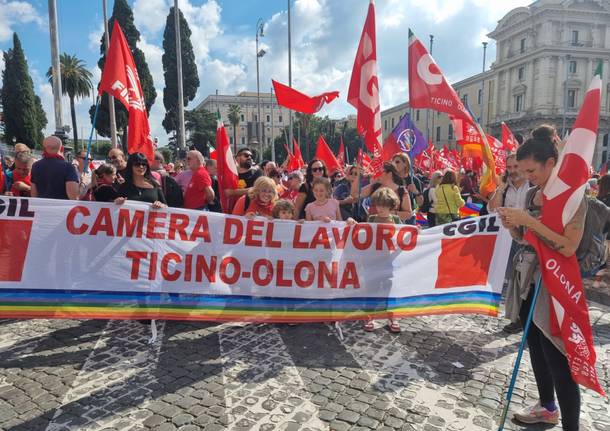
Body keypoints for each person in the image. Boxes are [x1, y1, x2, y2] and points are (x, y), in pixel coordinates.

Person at [497, 125, 583, 429]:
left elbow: (568, 244)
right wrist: (513, 225)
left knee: (557, 357)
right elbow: (527, 238)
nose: (527, 175)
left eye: (531, 170)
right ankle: (547, 406)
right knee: (535, 345)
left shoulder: (573, 197)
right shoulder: (534, 194)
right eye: (522, 170)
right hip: (530, 280)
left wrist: (526, 220)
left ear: (550, 163)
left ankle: (570, 425)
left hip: (557, 284)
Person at [489, 153, 531, 333]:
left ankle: (530, 319)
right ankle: (518, 318)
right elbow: (492, 209)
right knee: (514, 281)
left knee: (527, 281)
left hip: (531, 239)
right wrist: (501, 188)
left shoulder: (534, 185)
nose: (513, 171)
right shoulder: (506, 188)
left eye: (516, 167)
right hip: (511, 239)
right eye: (509, 168)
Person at [362, 187, 403, 333]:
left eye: (384, 205)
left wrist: (416, 231)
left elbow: (404, 237)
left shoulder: (396, 220)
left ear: (391, 206)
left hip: (389, 261)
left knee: (389, 289)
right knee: (371, 288)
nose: (380, 208)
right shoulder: (372, 219)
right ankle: (369, 315)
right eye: (378, 205)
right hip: (372, 261)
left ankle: (392, 316)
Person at [31, 136, 79, 200]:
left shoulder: (36, 166)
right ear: (62, 149)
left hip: (41, 208)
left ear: (44, 149)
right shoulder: (68, 167)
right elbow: (74, 197)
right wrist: (84, 184)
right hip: (62, 208)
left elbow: (33, 194)